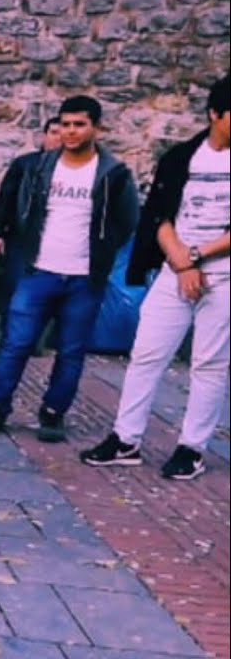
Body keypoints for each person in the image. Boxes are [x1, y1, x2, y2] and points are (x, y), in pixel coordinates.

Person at [80, 75, 229, 479]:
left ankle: (191, 448)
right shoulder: (182, 157)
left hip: (223, 273)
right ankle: (125, 438)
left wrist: (196, 257)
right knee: (147, 353)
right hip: (175, 267)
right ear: (215, 114)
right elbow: (159, 215)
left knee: (210, 363)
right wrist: (181, 261)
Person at [0, 96, 139, 441]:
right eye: (65, 124)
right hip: (38, 272)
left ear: (96, 128)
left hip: (84, 277)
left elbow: (127, 220)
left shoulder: (114, 174)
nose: (71, 131)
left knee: (71, 351)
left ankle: (53, 413)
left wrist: (102, 252)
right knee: (15, 344)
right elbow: (22, 207)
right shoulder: (40, 167)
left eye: (80, 124)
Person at [0, 116, 63, 353]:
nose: (58, 137)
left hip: (54, 241)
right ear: (43, 135)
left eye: (62, 133)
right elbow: (6, 199)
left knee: (47, 293)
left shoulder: (71, 171)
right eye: (53, 132)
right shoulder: (24, 164)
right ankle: (7, 342)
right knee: (13, 289)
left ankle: (32, 342)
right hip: (22, 237)